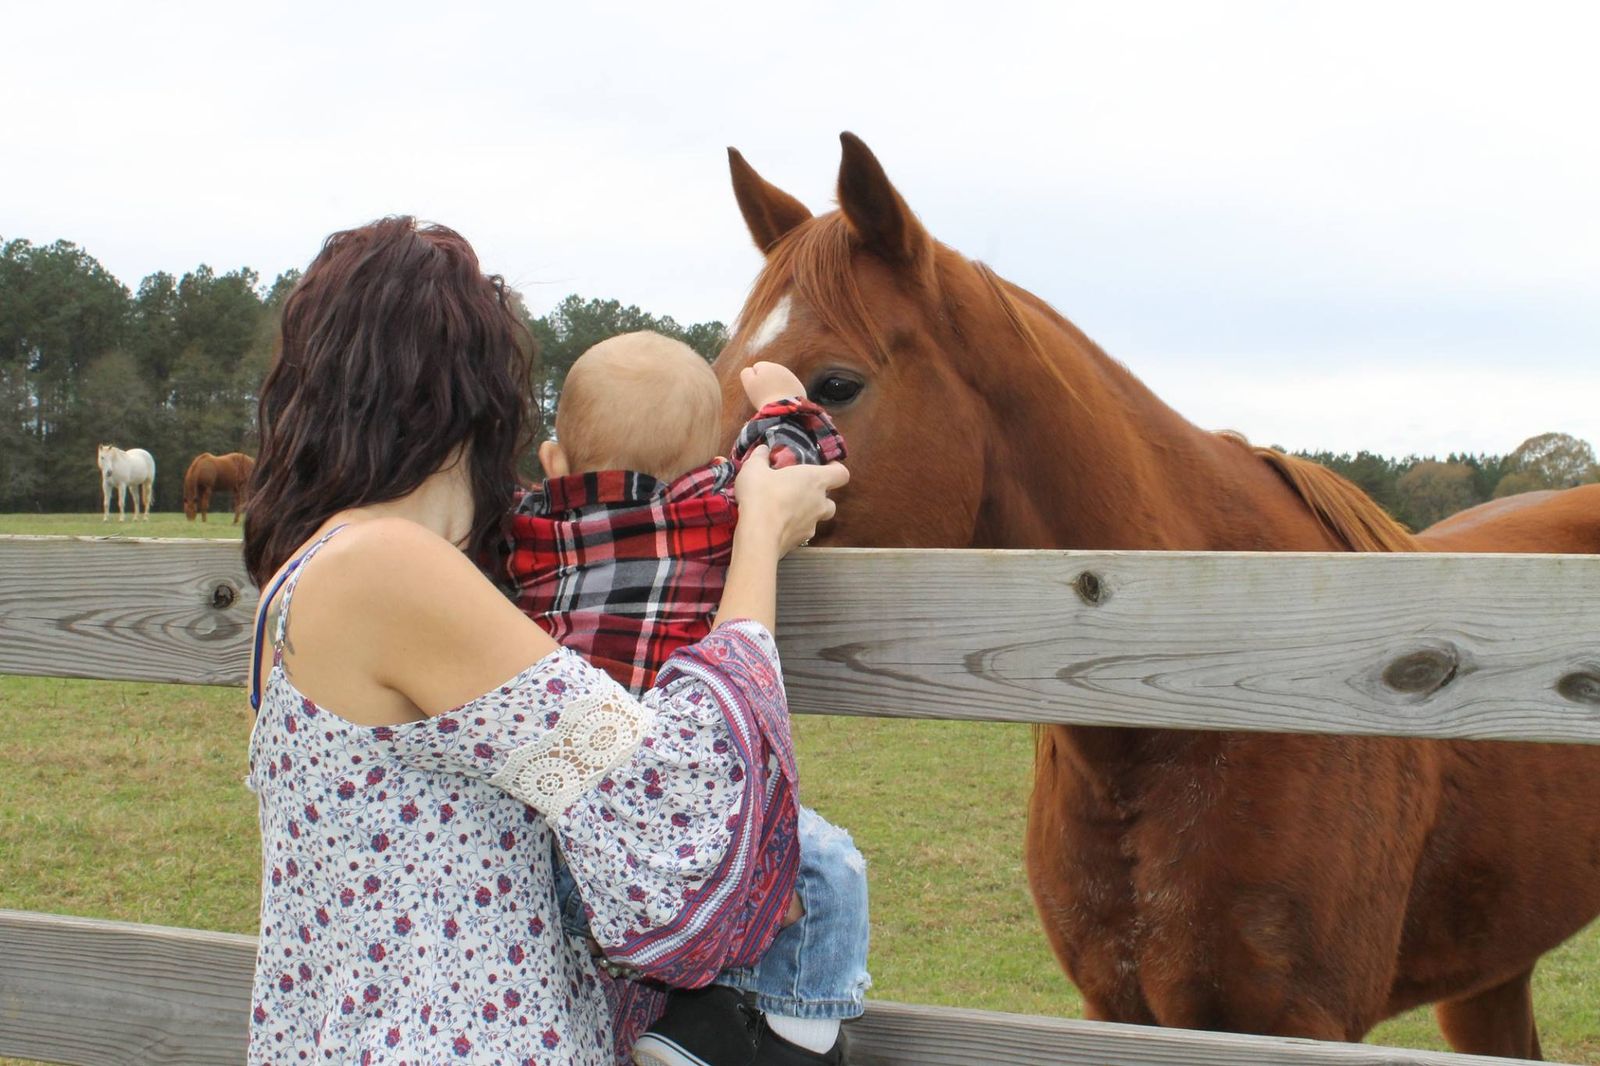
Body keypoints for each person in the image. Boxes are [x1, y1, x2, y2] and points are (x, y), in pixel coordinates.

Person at [241, 217, 848, 1066]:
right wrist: (757, 536)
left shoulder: (308, 573)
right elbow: (677, 809)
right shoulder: (386, 566)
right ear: (476, 403)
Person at [495, 331, 869, 1066]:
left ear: (553, 462)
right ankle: (792, 1039)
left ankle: (694, 1026)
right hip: (678, 802)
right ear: (708, 466)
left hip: (564, 835)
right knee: (828, 870)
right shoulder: (716, 508)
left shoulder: (524, 532)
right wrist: (782, 402)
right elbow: (797, 459)